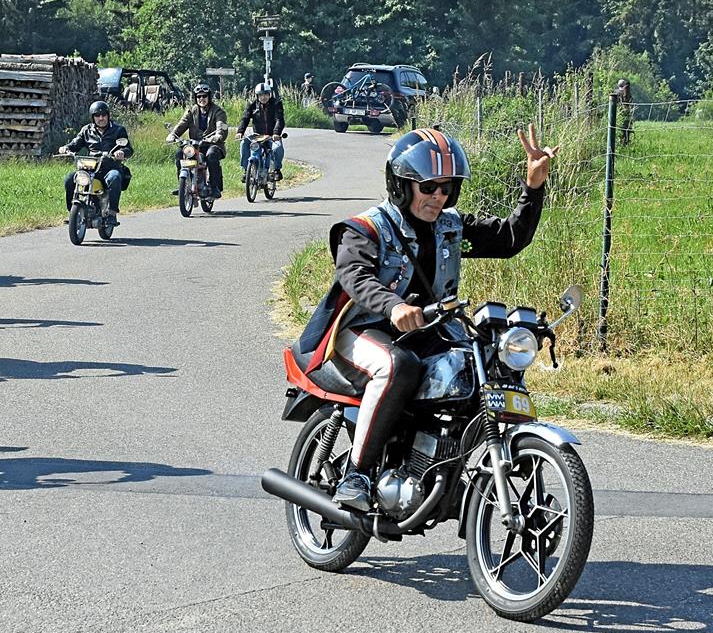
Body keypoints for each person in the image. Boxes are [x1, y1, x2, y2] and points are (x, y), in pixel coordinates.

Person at [292, 125, 558, 510]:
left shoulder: (450, 227)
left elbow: (509, 239)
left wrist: (533, 188)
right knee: (397, 366)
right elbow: (355, 276)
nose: (439, 196)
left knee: (483, 362)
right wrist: (393, 306)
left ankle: (443, 467)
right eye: (429, 186)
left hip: (430, 329)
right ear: (402, 184)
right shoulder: (366, 229)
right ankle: (357, 474)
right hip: (363, 330)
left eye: (447, 187)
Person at [59, 100, 133, 226]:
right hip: (90, 168)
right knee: (69, 180)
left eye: (104, 115)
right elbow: (75, 144)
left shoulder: (118, 130)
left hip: (109, 167)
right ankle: (72, 213)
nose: (101, 118)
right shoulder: (86, 130)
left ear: (108, 115)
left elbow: (128, 148)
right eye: (97, 116)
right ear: (93, 118)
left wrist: (121, 153)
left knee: (115, 177)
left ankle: (112, 214)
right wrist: (66, 148)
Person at [166, 84, 228, 198]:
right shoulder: (191, 111)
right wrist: (173, 134)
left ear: (209, 97)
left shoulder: (218, 111)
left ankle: (214, 187)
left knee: (211, 155)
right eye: (199, 96)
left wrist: (218, 135)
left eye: (204, 96)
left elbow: (221, 127)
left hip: (212, 144)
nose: (201, 99)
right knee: (180, 152)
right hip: (194, 144)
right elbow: (182, 124)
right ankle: (182, 184)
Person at [236, 82, 286, 182]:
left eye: (266, 94)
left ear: (269, 94)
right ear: (257, 96)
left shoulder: (276, 104)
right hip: (257, 136)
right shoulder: (252, 105)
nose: (263, 97)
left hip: (272, 136)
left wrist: (276, 133)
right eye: (261, 95)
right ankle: (246, 170)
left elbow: (279, 120)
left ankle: (277, 170)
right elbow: (245, 118)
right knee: (244, 144)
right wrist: (240, 131)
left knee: (278, 148)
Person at [615, 78, 633, 146]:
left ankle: (620, 142)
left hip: (617, 113)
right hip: (625, 112)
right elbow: (630, 101)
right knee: (626, 127)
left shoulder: (615, 92)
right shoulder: (626, 92)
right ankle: (625, 142)